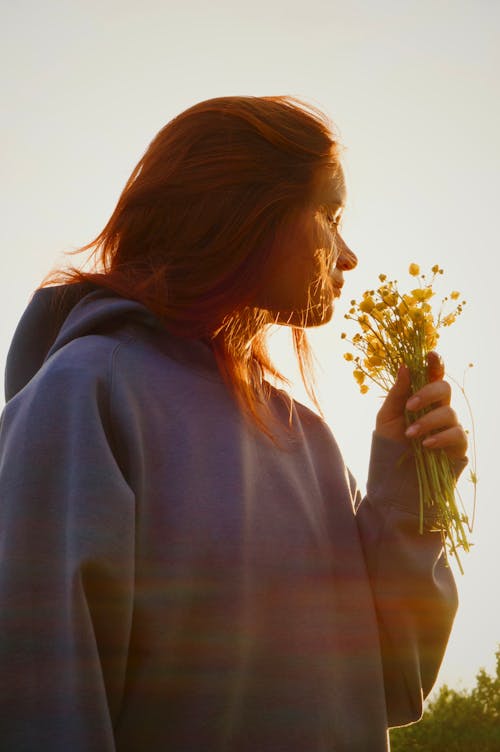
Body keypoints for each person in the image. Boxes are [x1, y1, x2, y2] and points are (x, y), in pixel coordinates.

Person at [0, 96, 468, 752]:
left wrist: (411, 486)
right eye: (331, 216)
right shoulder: (89, 393)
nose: (349, 254)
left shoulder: (309, 439)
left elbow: (394, 678)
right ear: (248, 210)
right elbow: (43, 704)